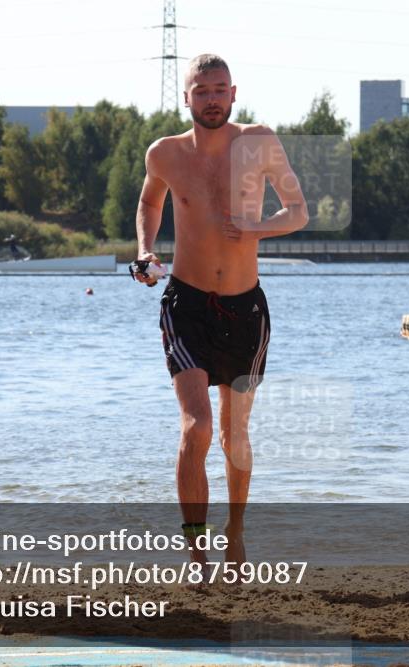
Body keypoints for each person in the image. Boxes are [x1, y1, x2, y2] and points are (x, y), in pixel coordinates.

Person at [132, 54, 308, 571]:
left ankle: (235, 530)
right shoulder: (164, 153)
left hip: (246, 311)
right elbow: (149, 204)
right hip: (185, 304)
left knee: (235, 434)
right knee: (197, 427)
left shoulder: (258, 143)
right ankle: (195, 550)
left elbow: (298, 212)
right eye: (201, 90)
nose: (211, 98)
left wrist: (256, 230)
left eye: (220, 89)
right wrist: (145, 252)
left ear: (234, 94)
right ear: (185, 97)